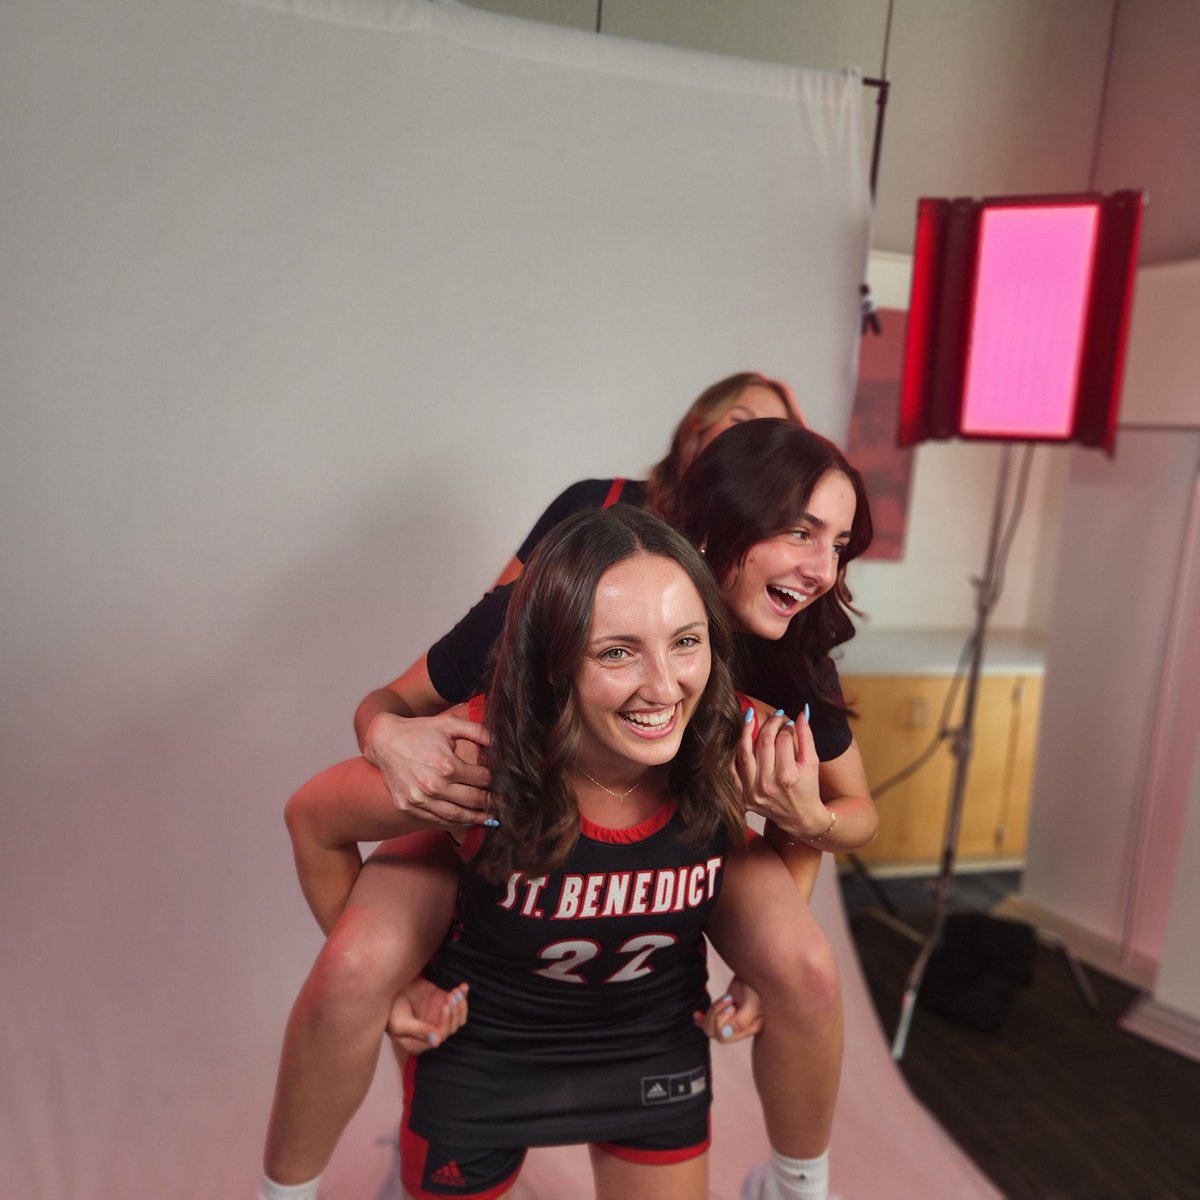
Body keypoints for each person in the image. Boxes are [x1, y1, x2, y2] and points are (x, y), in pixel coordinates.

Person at [263, 420, 877, 1200]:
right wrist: (388, 737)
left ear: (714, 653)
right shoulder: (501, 702)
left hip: (646, 1027)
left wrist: (797, 854)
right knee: (356, 968)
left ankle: (795, 1187)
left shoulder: (762, 692)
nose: (821, 566)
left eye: (687, 642)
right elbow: (327, 796)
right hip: (494, 1024)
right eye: (617, 650)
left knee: (805, 966)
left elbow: (835, 815)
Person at [490, 371, 804, 588]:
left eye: (767, 435)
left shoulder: (759, 552)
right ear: (695, 427)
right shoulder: (592, 499)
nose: (749, 440)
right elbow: (498, 622)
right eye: (739, 420)